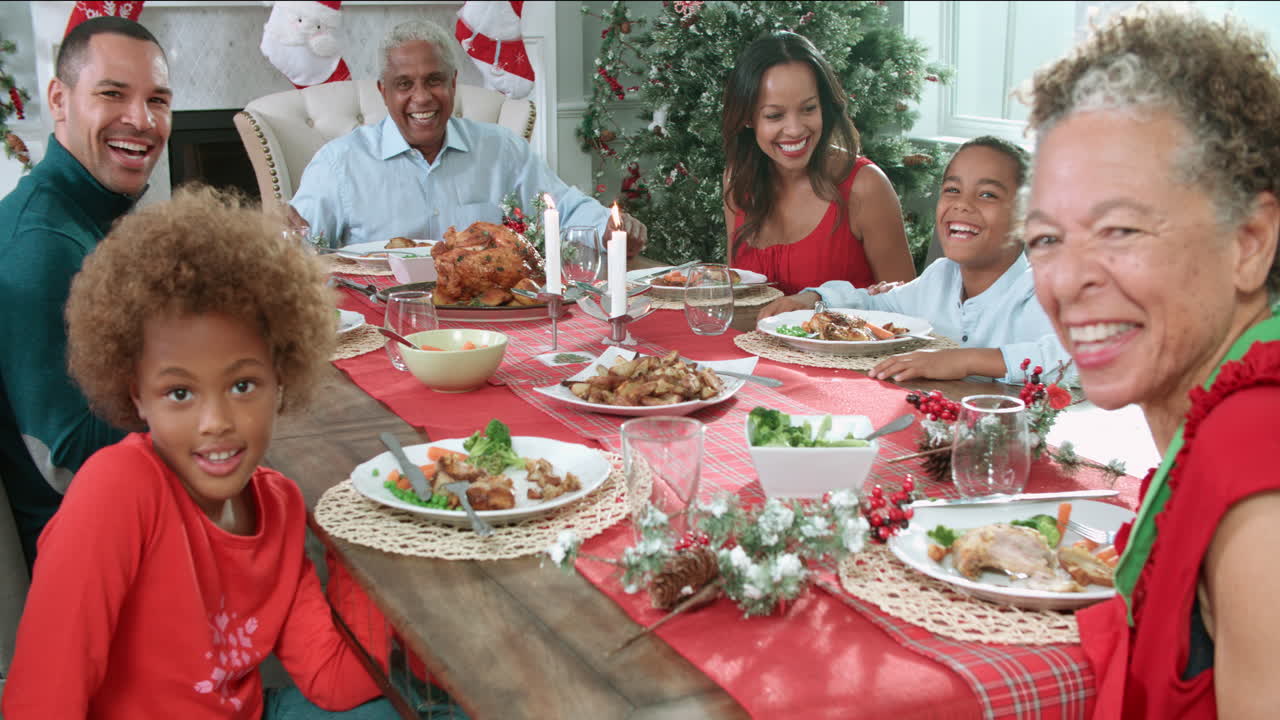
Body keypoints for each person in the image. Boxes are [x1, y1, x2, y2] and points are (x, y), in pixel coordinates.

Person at [2, 186, 400, 719]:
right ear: (134, 393)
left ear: (281, 377)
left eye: (242, 386)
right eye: (180, 393)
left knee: (405, 708)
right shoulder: (116, 490)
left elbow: (334, 682)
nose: (216, 423)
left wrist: (362, 539)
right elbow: (41, 699)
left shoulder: (278, 505)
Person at [1022, 7, 1280, 718]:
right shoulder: (1214, 413)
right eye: (1045, 238)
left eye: (1120, 229)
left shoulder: (1256, 459)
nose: (1069, 280)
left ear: (1250, 241)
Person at [0, 16, 171, 570]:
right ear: (59, 98)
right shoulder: (42, 246)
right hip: (88, 557)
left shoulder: (86, 213)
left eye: (158, 100)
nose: (142, 121)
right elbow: (68, 460)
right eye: (112, 94)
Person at [290, 19, 646, 255]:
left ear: (453, 83)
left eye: (434, 80)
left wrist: (609, 228)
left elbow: (562, 209)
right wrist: (275, 234)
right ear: (384, 92)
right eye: (404, 85)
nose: (422, 97)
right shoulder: (339, 163)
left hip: (486, 318)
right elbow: (298, 245)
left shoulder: (501, 149)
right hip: (383, 321)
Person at [758, 136, 1070, 385]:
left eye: (987, 194)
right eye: (952, 190)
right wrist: (816, 299)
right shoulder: (940, 278)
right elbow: (877, 307)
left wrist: (963, 360)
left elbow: (1073, 360)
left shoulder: (1041, 293)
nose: (961, 204)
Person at [722, 31, 916, 296]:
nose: (794, 129)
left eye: (809, 109)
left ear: (824, 106)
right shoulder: (737, 179)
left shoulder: (867, 187)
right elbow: (737, 295)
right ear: (747, 118)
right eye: (775, 115)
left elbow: (906, 308)